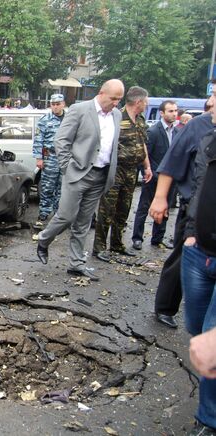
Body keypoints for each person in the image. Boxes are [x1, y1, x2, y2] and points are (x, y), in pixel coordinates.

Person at [35, 79, 125, 281]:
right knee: (66, 216)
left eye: (120, 99)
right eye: (113, 98)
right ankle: (43, 239)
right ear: (102, 93)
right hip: (77, 172)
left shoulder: (117, 115)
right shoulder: (80, 109)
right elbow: (61, 140)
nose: (116, 103)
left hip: (101, 175)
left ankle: (76, 264)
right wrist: (68, 167)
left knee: (83, 222)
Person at [149, 86, 216, 328]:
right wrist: (160, 198)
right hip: (195, 215)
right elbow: (172, 161)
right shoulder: (198, 127)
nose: (209, 101)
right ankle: (165, 307)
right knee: (181, 260)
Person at [181, 120, 216, 434]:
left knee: (210, 334)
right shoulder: (209, 140)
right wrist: (191, 232)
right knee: (195, 327)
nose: (212, 104)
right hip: (199, 251)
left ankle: (209, 418)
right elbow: (200, 188)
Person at [92, 86, 153, 262]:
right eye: (146, 102)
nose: (146, 105)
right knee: (107, 209)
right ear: (138, 102)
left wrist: (147, 166)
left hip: (132, 171)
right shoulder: (116, 117)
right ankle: (99, 247)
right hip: (115, 170)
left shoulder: (140, 120)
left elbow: (142, 145)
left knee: (124, 209)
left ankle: (117, 244)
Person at [131, 100, 178, 250]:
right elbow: (144, 155)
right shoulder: (154, 131)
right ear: (162, 113)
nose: (174, 114)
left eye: (175, 110)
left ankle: (157, 238)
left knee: (165, 209)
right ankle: (137, 238)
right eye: (170, 111)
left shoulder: (177, 132)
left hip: (170, 179)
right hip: (153, 177)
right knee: (144, 207)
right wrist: (147, 171)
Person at [32, 94, 66, 229]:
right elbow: (38, 139)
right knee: (47, 187)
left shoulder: (70, 119)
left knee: (62, 188)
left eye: (58, 104)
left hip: (65, 158)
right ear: (50, 105)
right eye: (53, 104)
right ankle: (44, 212)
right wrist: (39, 158)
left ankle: (58, 213)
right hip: (50, 157)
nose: (56, 106)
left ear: (63, 104)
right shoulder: (44, 120)